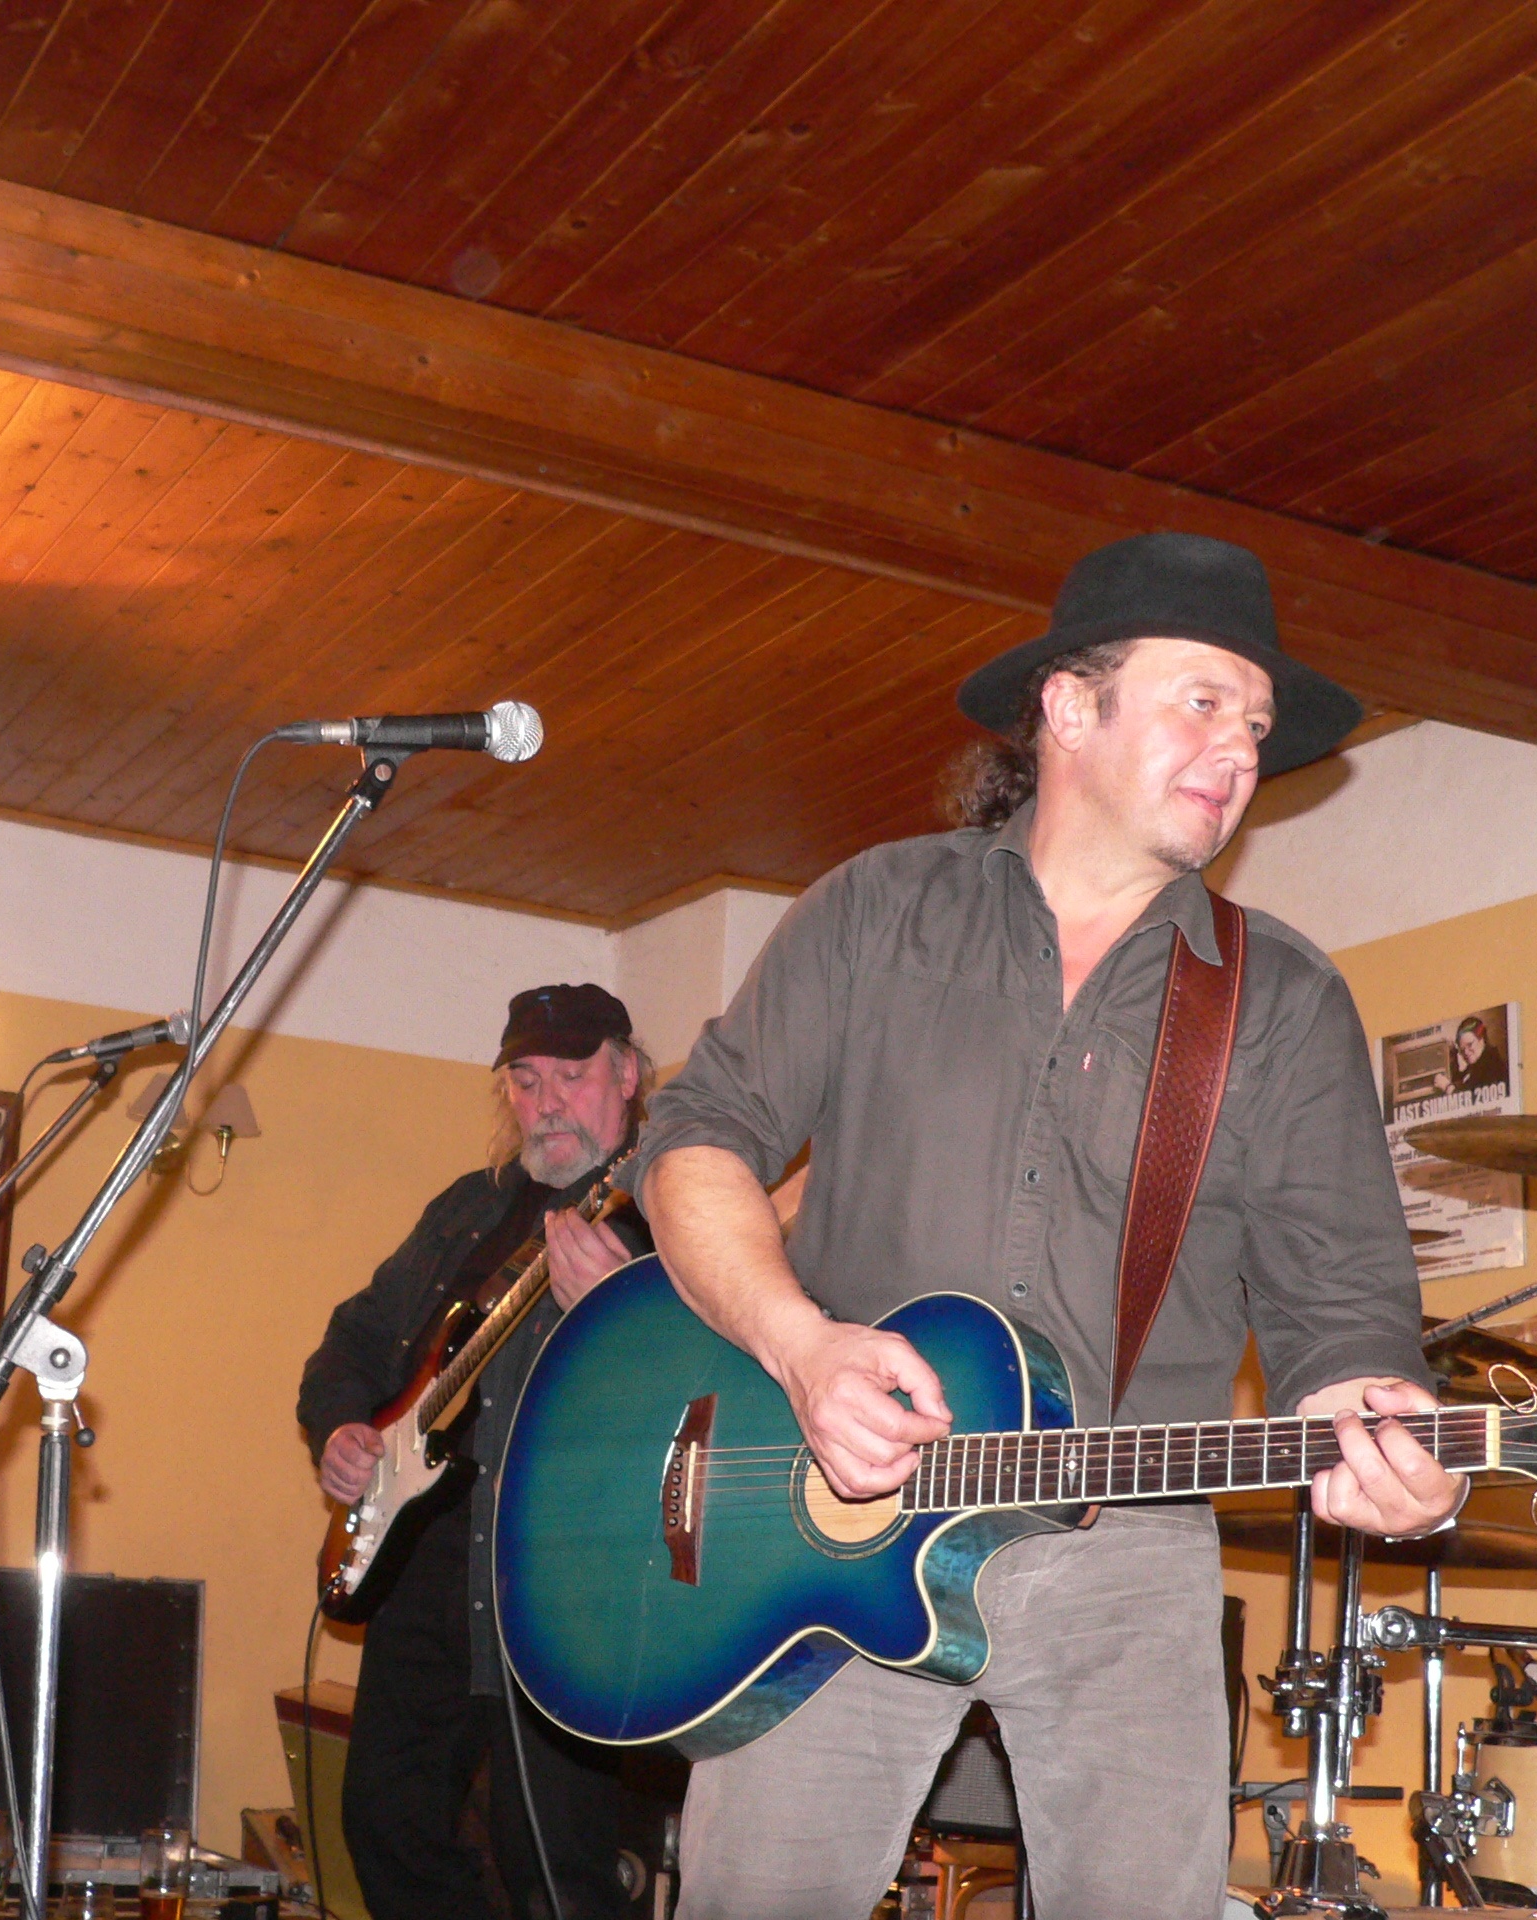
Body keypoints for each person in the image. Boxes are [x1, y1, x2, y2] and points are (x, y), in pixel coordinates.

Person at [631, 531, 1460, 1919]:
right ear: (1071, 707)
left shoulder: (1282, 1000)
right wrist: (801, 1349)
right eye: (1203, 701)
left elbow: (1341, 1310)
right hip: (826, 1517)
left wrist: (1386, 1431)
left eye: (1256, 726)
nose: (1239, 750)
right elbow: (694, 1142)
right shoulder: (876, 911)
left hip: (1123, 1552)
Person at [298, 984, 649, 1920]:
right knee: (384, 1826)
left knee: (556, 1864)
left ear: (627, 1076)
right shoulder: (469, 1208)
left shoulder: (668, 1209)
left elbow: (715, 1385)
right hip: (427, 1568)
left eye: (572, 1076)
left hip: (562, 1581)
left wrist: (623, 1307)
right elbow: (353, 1341)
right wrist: (343, 1428)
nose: (548, 1103)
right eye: (526, 1082)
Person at [1449, 1013, 1509, 1095]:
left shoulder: (1492, 1065)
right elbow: (1461, 1081)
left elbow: (1473, 1097)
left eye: (1470, 1044)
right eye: (1462, 1049)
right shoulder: (1474, 1066)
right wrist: (1453, 1056)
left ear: (1482, 1039)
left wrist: (1448, 1088)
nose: (1466, 1052)